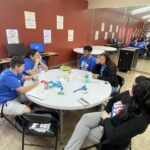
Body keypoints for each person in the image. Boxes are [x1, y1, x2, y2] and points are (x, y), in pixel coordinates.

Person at [64, 76, 150, 150]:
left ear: (140, 95)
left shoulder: (140, 121)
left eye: (133, 87)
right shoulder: (130, 95)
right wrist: (102, 121)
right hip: (109, 118)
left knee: (85, 132)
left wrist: (105, 120)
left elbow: (114, 137)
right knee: (85, 117)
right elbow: (112, 100)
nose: (129, 89)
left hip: (112, 136)